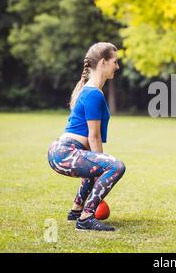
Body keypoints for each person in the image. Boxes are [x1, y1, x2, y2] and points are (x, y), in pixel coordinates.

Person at [47, 42, 125, 231]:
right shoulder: (93, 94)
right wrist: (103, 164)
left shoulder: (90, 90)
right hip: (64, 152)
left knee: (96, 165)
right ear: (103, 62)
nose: (117, 66)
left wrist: (98, 166)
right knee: (116, 166)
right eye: (115, 62)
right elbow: (94, 136)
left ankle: (77, 211)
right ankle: (86, 218)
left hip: (61, 151)